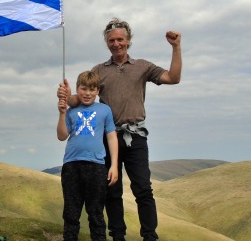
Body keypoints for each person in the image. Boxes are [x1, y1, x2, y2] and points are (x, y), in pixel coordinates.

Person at [58, 18, 182, 241]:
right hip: (107, 137)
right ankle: (117, 237)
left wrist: (175, 47)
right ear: (107, 43)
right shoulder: (99, 70)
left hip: (135, 137)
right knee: (111, 191)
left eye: (120, 39)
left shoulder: (142, 67)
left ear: (128, 41)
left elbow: (173, 78)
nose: (116, 44)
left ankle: (150, 237)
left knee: (143, 188)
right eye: (112, 40)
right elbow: (84, 96)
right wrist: (67, 97)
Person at [57, 70, 119, 241]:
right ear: (77, 89)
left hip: (97, 166)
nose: (88, 93)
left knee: (96, 213)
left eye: (92, 90)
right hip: (72, 166)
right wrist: (62, 114)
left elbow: (111, 136)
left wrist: (113, 165)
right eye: (84, 89)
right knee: (71, 212)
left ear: (98, 91)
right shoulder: (71, 111)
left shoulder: (105, 110)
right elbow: (62, 136)